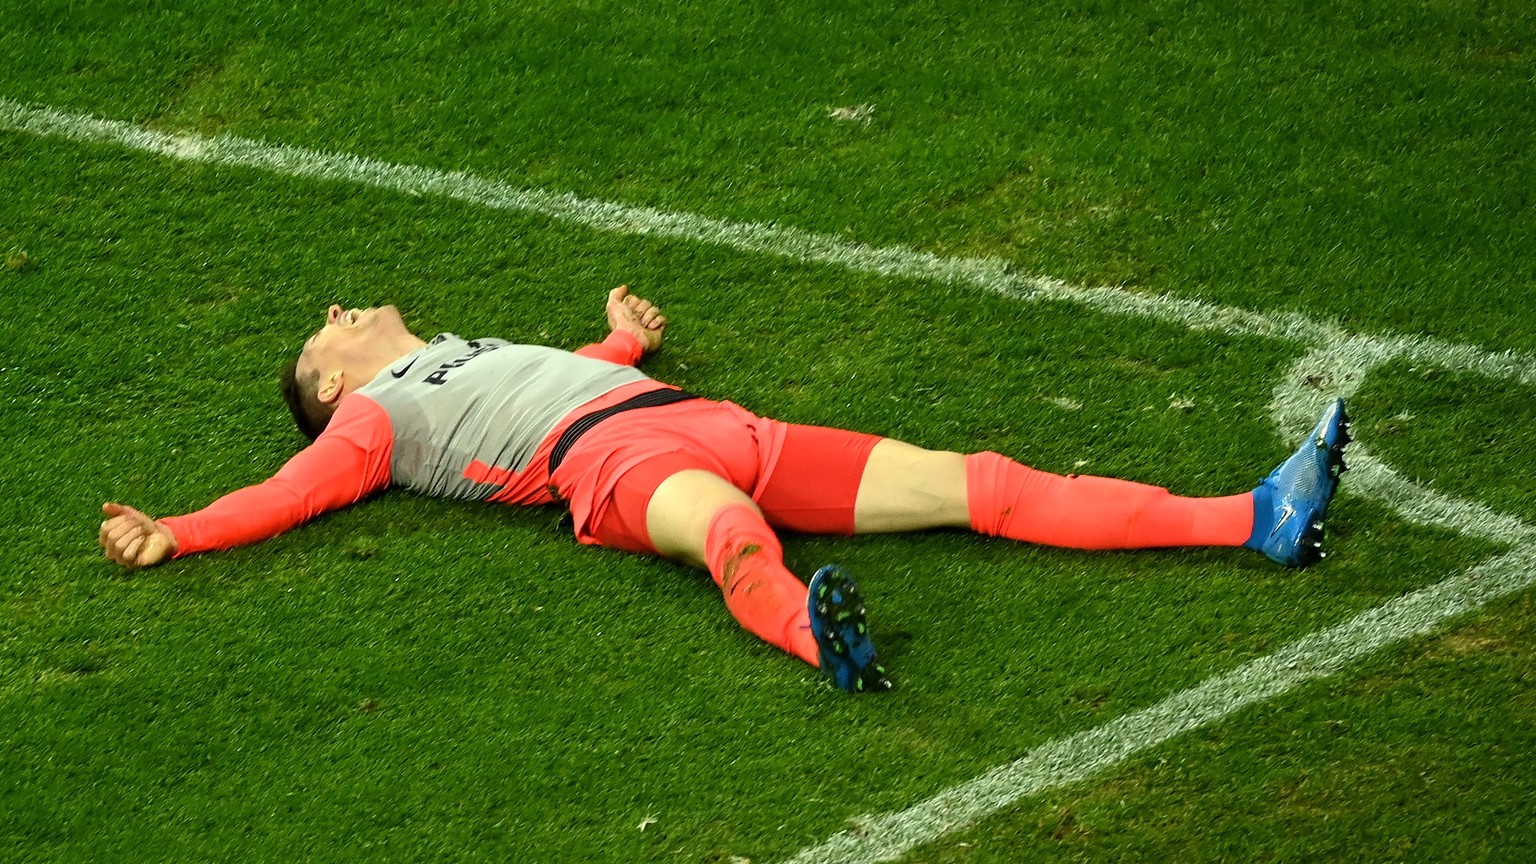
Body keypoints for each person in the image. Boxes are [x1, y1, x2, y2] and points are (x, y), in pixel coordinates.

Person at [98, 287, 1351, 693]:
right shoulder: (364, 422)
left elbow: (553, 378)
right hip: (618, 468)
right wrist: (180, 531)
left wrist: (620, 343)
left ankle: (1256, 517)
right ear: (328, 385)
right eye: (322, 336)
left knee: (981, 482)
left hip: (697, 420)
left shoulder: (445, 358)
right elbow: (288, 490)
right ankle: (823, 635)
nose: (336, 312)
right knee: (733, 535)